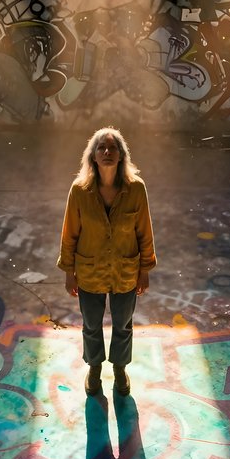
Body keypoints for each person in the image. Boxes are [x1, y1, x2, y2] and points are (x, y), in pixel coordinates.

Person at [58, 127, 156, 396]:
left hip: (126, 270)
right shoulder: (79, 191)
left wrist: (145, 269)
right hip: (89, 271)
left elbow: (144, 232)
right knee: (91, 325)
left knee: (123, 325)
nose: (107, 152)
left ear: (122, 155)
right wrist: (69, 271)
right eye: (101, 147)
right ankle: (94, 368)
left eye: (113, 148)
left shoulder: (136, 189)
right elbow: (70, 234)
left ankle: (120, 369)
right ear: (93, 156)